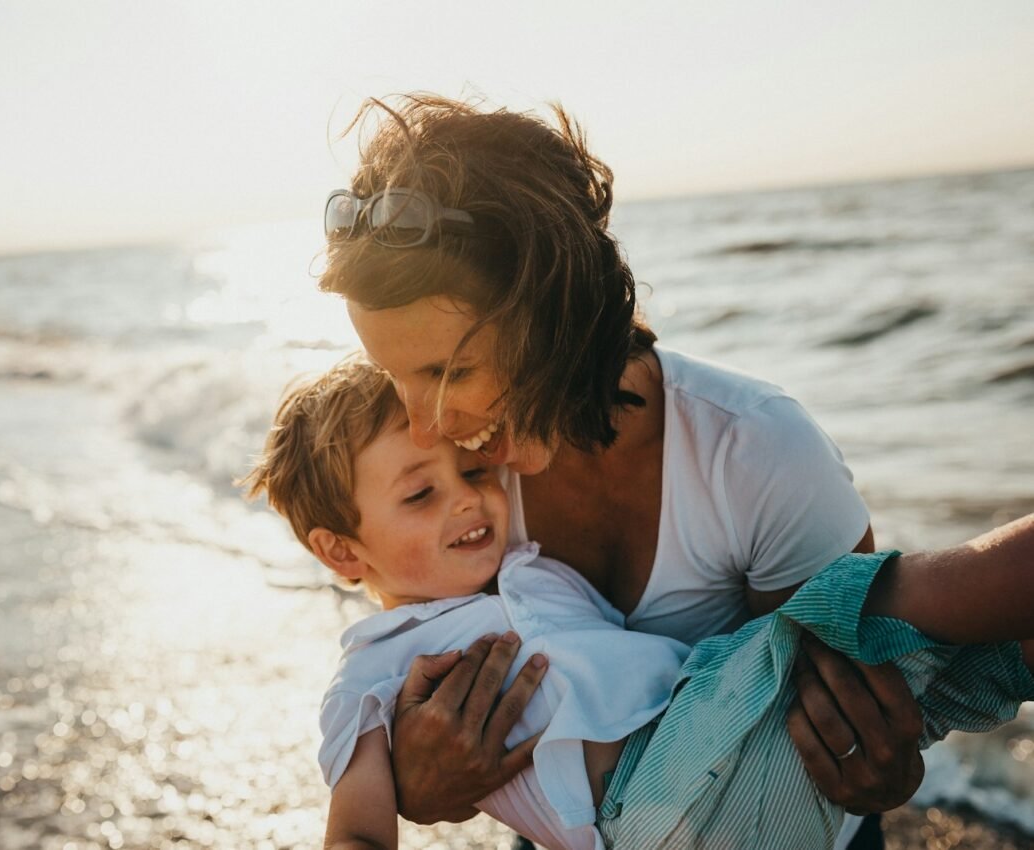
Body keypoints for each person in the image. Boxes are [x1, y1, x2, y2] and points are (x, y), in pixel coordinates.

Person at [317, 94, 922, 848]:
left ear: (556, 312)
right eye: (394, 376)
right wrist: (419, 781)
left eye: (450, 370)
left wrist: (885, 768)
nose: (425, 424)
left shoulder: (758, 453)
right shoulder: (459, 483)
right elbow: (420, 650)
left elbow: (851, 714)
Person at [240, 357, 1034, 850]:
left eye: (473, 472)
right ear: (342, 551)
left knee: (956, 664)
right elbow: (356, 829)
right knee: (870, 604)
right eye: (420, 492)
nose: (469, 500)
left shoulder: (531, 566)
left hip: (748, 770)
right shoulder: (374, 670)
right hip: (649, 803)